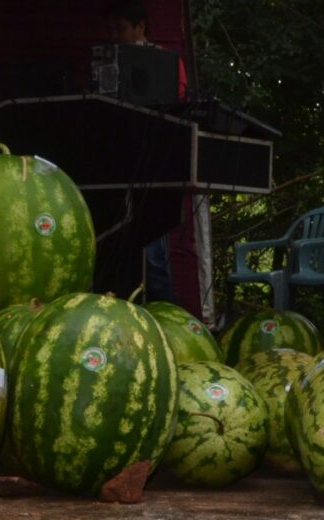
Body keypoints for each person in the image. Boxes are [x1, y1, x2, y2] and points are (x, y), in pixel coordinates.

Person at [106, 1, 187, 303]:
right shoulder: (107, 63)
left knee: (153, 252)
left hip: (153, 167)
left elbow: (179, 101)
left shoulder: (165, 60)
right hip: (119, 167)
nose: (115, 35)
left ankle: (164, 314)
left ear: (141, 27)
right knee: (118, 245)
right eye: (112, 29)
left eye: (121, 28)